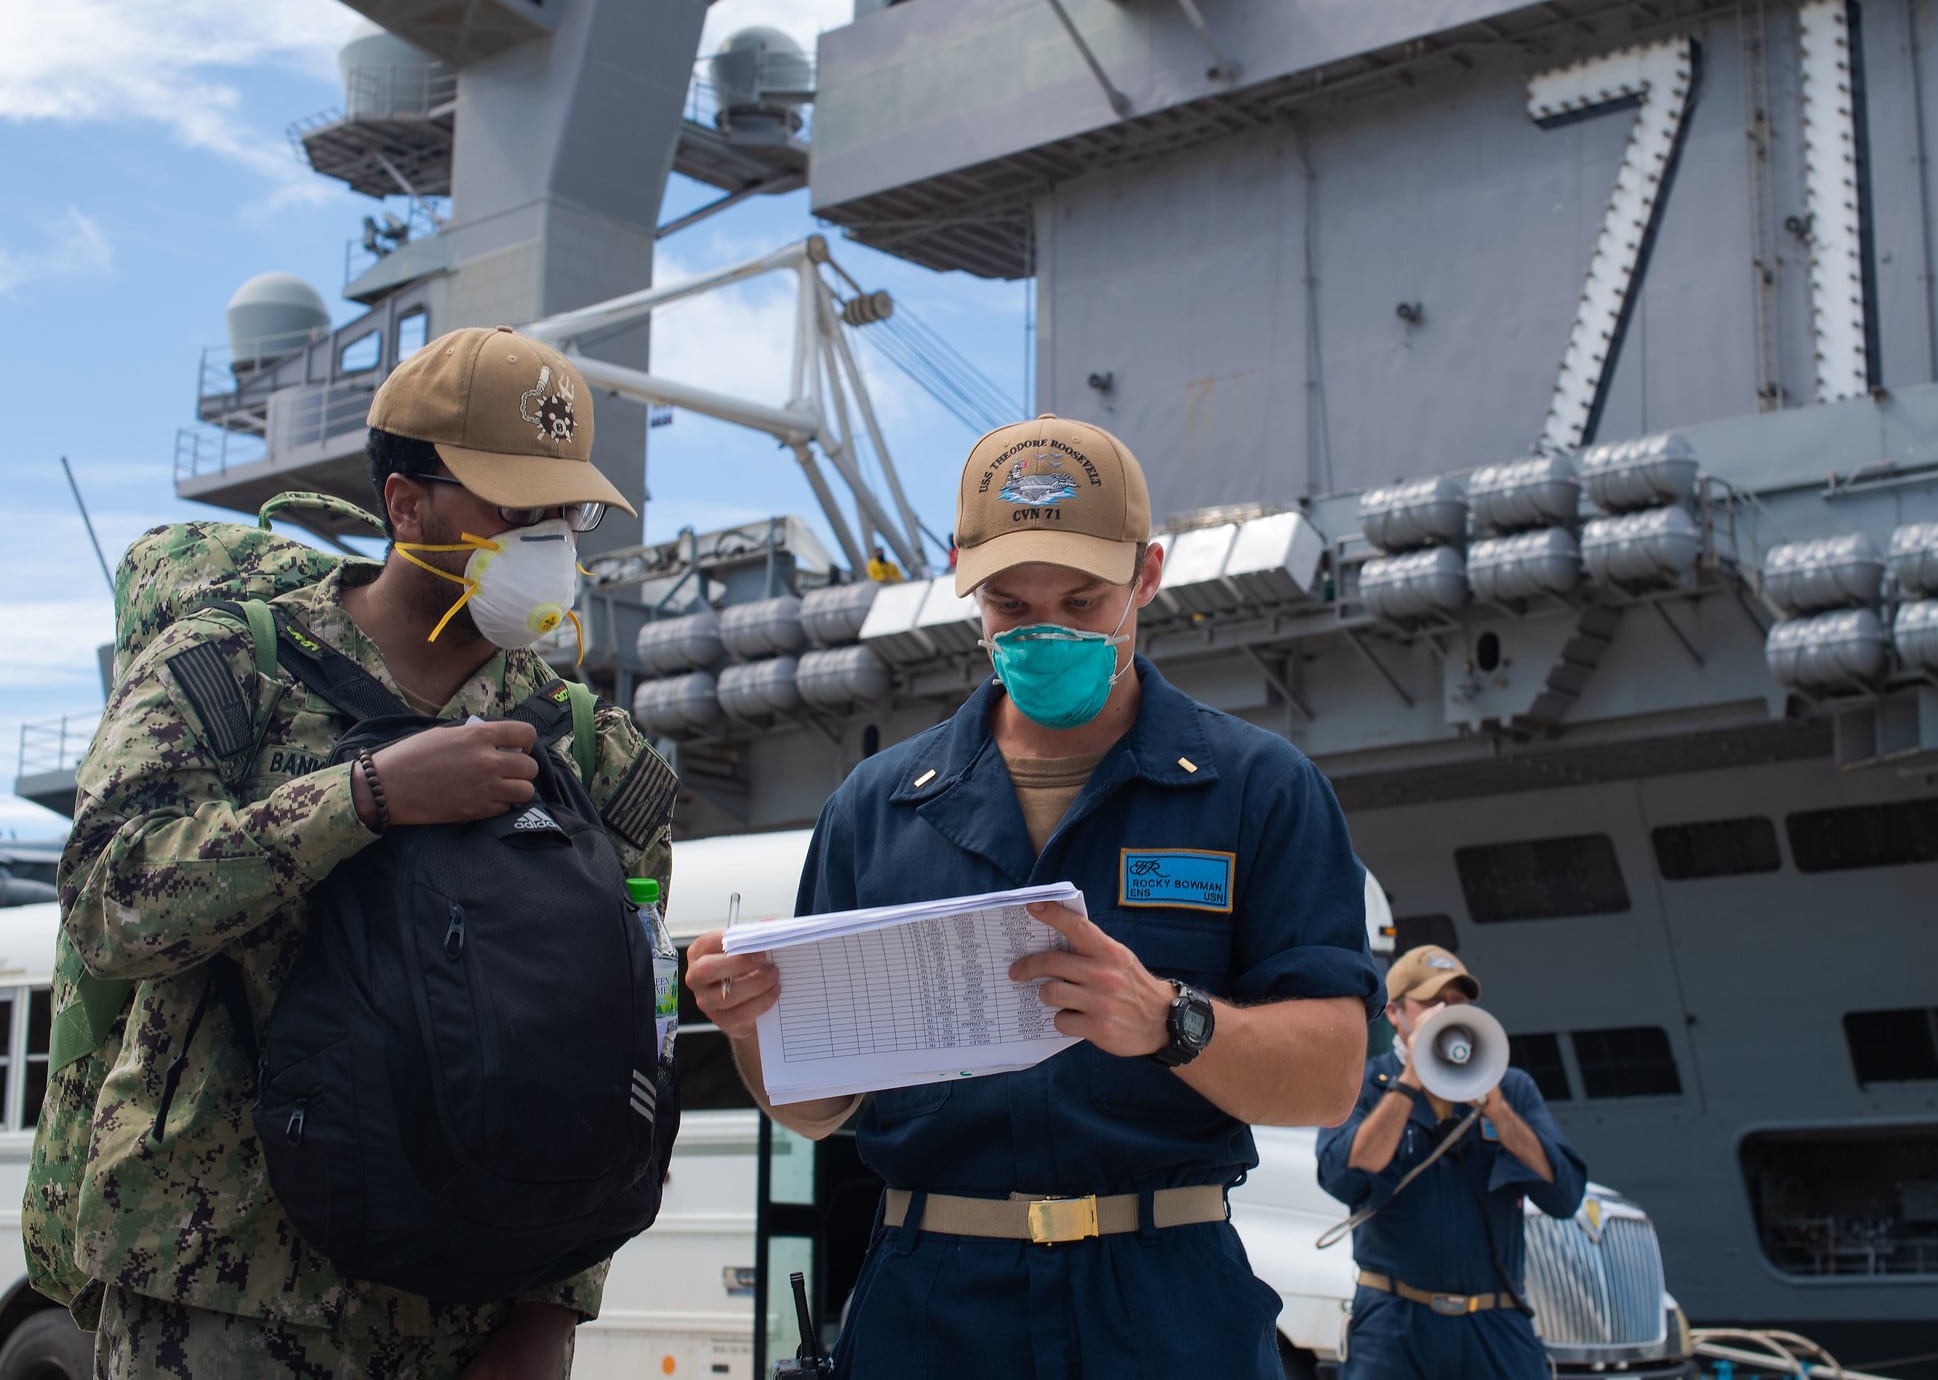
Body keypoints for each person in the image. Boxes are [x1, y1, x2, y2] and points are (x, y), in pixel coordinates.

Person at [686, 415, 1382, 1378]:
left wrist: (1169, 1022)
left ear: (1147, 576)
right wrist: (750, 1026)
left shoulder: (1257, 788)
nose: (1044, 629)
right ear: (961, 574)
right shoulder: (876, 808)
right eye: (1009, 603)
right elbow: (816, 1112)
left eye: (1083, 598)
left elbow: (1332, 1077)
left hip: (1166, 1300)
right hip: (932, 1303)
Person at [59, 327, 678, 1378]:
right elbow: (109, 908)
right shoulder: (229, 674)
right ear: (406, 506)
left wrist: (553, 1311)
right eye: (508, 511)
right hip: (222, 1300)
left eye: (562, 515)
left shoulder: (588, 746)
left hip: (469, 1309)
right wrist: (364, 798)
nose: (547, 542)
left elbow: (633, 1029)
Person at [1316, 945, 1587, 1380]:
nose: (1446, 1011)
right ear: (1395, 1014)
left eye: (1458, 1003)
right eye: (1432, 1002)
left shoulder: (1510, 1088)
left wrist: (1498, 1111)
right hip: (1395, 1322)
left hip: (1493, 1320)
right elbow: (1340, 1177)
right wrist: (1410, 1084)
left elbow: (1565, 1194)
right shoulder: (1366, 1084)